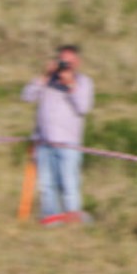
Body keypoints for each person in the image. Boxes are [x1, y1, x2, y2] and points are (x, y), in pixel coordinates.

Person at [21, 44, 95, 224]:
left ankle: (73, 220)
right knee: (47, 185)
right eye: (62, 61)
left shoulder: (83, 82)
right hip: (44, 142)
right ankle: (51, 219)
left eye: (69, 62)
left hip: (68, 144)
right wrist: (44, 77)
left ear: (77, 62)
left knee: (69, 184)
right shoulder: (48, 80)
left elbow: (84, 108)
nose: (65, 66)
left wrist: (70, 85)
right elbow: (27, 96)